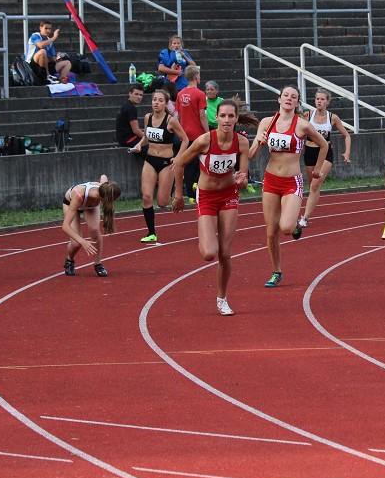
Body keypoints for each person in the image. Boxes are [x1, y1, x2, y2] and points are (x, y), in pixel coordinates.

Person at [171, 100, 255, 315]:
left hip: (229, 196)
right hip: (207, 196)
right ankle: (207, 233)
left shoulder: (242, 143)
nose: (227, 120)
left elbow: (244, 182)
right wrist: (179, 195)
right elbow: (179, 163)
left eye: (231, 116)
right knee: (209, 253)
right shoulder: (205, 140)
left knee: (225, 254)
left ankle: (222, 298)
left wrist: (241, 180)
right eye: (223, 116)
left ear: (236, 119)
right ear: (215, 117)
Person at [248, 85, 330, 287]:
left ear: (297, 102)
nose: (289, 99)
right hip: (270, 180)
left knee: (285, 227)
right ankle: (276, 271)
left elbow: (324, 144)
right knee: (270, 232)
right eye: (286, 95)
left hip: (291, 181)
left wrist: (318, 169)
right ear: (279, 99)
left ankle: (294, 227)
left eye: (294, 97)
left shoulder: (302, 125)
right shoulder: (267, 123)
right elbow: (251, 155)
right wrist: (257, 141)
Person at [130, 90, 188, 242]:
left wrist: (178, 157)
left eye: (160, 100)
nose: (156, 102)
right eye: (154, 99)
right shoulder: (147, 118)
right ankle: (151, 233)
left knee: (162, 202)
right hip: (150, 160)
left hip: (165, 163)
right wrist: (139, 145)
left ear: (165, 103)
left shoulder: (171, 121)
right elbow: (146, 137)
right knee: (147, 197)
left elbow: (185, 139)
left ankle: (172, 188)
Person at [297, 89, 352, 230]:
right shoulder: (307, 115)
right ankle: (308, 210)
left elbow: (346, 135)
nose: (319, 101)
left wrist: (347, 153)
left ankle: (305, 218)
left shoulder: (332, 118)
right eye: (317, 99)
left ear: (327, 101)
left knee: (315, 185)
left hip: (326, 153)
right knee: (312, 187)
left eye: (322, 99)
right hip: (309, 152)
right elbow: (296, 131)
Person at [61, 175, 121, 277]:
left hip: (90, 206)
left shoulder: (104, 187)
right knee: (76, 243)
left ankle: (98, 264)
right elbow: (65, 226)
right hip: (72, 202)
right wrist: (83, 241)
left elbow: (103, 176)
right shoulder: (79, 194)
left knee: (94, 230)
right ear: (102, 198)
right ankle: (69, 260)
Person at [177, 65, 209, 197]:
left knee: (188, 164)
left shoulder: (180, 93)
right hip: (197, 134)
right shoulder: (200, 94)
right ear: (196, 77)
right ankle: (196, 190)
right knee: (198, 164)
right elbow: (202, 116)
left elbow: (178, 116)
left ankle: (189, 190)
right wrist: (208, 133)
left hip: (185, 134)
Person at [115, 84, 146, 150]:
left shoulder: (127, 105)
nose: (139, 97)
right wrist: (147, 138)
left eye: (141, 95)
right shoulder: (131, 108)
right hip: (128, 140)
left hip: (124, 138)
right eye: (136, 94)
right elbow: (136, 131)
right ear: (130, 94)